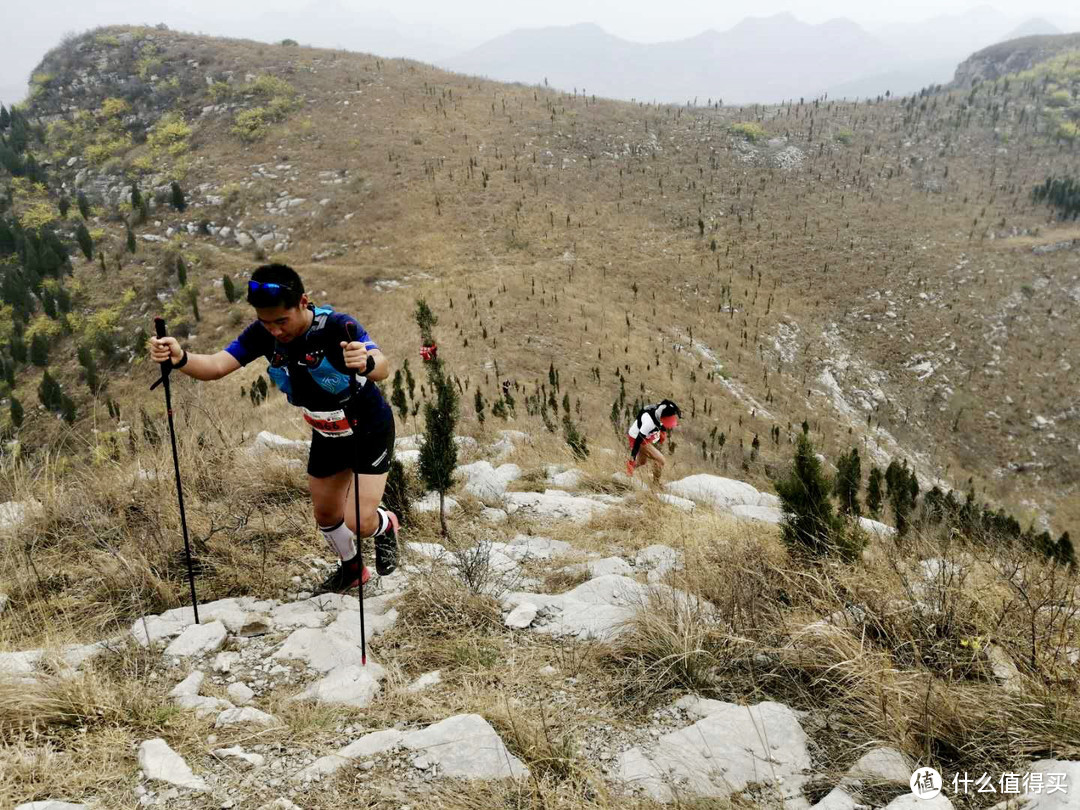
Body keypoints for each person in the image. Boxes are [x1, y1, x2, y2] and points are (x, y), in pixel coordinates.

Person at [149, 263, 398, 594]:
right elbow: (217, 366)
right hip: (327, 434)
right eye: (267, 323)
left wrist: (365, 362)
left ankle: (385, 526)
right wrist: (180, 357)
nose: (276, 331)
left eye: (282, 321)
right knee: (326, 516)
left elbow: (381, 365)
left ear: (303, 302)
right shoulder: (261, 334)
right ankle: (352, 570)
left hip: (368, 428)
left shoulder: (338, 326)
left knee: (358, 521)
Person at [626, 400, 681, 484]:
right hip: (637, 437)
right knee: (661, 460)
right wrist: (632, 458)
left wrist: (663, 431)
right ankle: (656, 484)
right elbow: (638, 441)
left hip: (644, 436)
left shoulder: (660, 408)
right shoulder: (649, 423)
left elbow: (662, 422)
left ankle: (625, 471)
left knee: (642, 462)